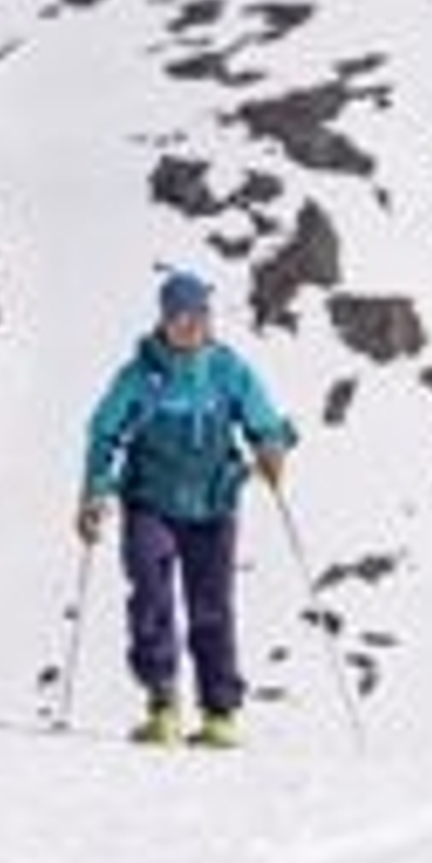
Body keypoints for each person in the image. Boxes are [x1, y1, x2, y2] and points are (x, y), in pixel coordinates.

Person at [77, 268, 297, 748]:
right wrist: (95, 490)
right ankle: (162, 704)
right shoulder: (140, 376)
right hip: (150, 503)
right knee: (152, 595)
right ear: (164, 320)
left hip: (214, 505)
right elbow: (105, 433)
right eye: (180, 317)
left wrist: (271, 447)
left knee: (211, 608)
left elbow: (263, 420)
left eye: (199, 316)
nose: (191, 327)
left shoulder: (228, 370)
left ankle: (219, 715)